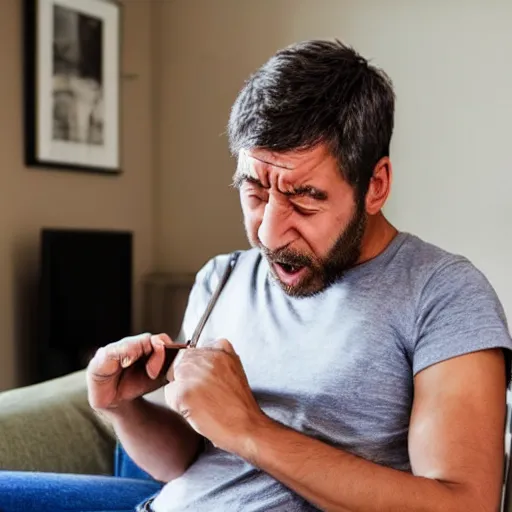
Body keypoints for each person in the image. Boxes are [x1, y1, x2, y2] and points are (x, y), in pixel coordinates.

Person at [2, 39, 511, 512]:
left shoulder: (444, 295)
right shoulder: (222, 277)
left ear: (375, 186)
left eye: (304, 198)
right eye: (256, 191)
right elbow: (183, 462)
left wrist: (250, 427)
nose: (268, 233)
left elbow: (462, 504)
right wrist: (123, 408)